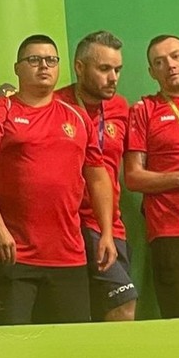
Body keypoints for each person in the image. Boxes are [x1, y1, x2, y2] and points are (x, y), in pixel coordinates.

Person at [0, 34, 117, 325]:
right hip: (12, 253)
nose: (44, 66)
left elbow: (98, 177)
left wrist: (107, 233)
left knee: (70, 345)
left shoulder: (77, 117)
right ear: (17, 68)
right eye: (34, 60)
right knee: (15, 343)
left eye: (51, 60)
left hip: (68, 256)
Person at [54, 31, 137, 321]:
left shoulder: (121, 108)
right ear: (79, 67)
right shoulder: (56, 105)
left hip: (111, 226)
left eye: (117, 69)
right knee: (123, 305)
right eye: (104, 69)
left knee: (105, 313)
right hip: (72, 226)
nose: (113, 77)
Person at [125, 35, 179, 318]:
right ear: (151, 72)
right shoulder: (144, 110)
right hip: (174, 233)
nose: (170, 65)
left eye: (175, 56)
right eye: (159, 62)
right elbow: (133, 177)